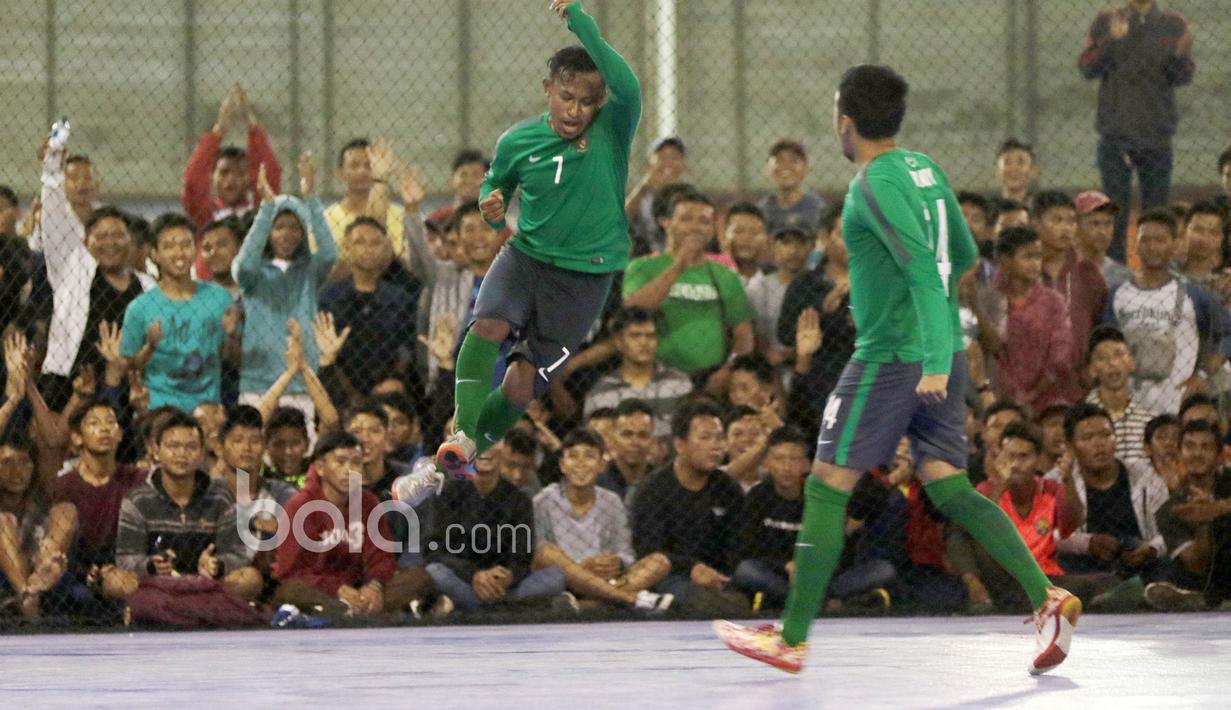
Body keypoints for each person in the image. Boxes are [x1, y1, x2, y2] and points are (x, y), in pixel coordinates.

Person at [715, 65, 1078, 676]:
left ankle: (792, 638)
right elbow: (961, 257)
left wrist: (931, 357)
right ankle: (1047, 595)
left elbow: (920, 268)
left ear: (845, 122)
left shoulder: (871, 185)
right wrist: (943, 351)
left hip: (891, 358)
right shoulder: (925, 169)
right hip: (939, 353)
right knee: (949, 487)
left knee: (826, 486)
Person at [436, 1, 641, 475]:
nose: (577, 110)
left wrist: (578, 18)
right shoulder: (518, 141)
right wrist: (491, 206)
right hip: (525, 256)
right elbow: (496, 185)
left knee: (520, 384)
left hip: (586, 276)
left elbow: (627, 85)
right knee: (487, 324)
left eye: (589, 101)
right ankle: (463, 433)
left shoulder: (613, 127)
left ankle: (466, 451)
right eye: (567, 96)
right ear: (548, 89)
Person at [37, 136, 155, 411]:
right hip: (69, 381)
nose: (109, 242)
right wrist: (52, 171)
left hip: (130, 386)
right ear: (86, 241)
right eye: (100, 236)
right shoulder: (71, 266)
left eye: (117, 235)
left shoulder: (148, 286)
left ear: (130, 241)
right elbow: (53, 218)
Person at [1079, 0, 1195, 261]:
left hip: (1157, 137)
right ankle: (1114, 278)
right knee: (1114, 218)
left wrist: (1181, 56)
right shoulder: (1106, 21)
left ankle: (1155, 277)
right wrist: (1112, 41)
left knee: (1156, 215)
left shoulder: (1173, 24)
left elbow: (1182, 76)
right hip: (1115, 137)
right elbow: (1087, 67)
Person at [111, 410, 262, 602]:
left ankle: (195, 607)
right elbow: (125, 558)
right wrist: (151, 565)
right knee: (115, 580)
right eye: (173, 446)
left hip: (207, 585)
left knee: (250, 578)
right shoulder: (137, 500)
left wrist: (217, 565)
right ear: (156, 451)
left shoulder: (221, 497)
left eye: (191, 447)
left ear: (201, 453)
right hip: (157, 587)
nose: (182, 454)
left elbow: (237, 554)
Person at [232, 155, 337, 424]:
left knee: (299, 450)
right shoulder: (255, 274)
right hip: (257, 382)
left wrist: (311, 198)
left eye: (294, 227)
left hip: (302, 382)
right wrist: (267, 209)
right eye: (279, 227)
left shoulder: (309, 272)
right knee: (250, 452)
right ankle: (245, 473)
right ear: (268, 231)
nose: (287, 234)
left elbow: (328, 253)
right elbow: (241, 267)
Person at [1104, 209, 1231, 415]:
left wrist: (1202, 375)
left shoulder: (1193, 294)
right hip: (1129, 403)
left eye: (1160, 240)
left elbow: (1227, 334)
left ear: (1173, 244)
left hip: (1180, 403)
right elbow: (1104, 343)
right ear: (1135, 245)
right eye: (1145, 240)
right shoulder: (1118, 294)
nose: (1152, 247)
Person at [531, 428, 672, 610]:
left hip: (612, 581)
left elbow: (626, 554)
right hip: (565, 583)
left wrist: (616, 563)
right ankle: (628, 600)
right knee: (547, 551)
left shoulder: (612, 501)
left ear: (601, 465)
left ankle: (588, 605)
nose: (580, 463)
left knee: (659, 562)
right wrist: (581, 568)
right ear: (562, 465)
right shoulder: (544, 500)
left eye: (589, 456)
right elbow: (538, 560)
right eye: (573, 456)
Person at [622, 189, 755, 379]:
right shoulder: (642, 267)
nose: (696, 227)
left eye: (704, 221)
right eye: (686, 219)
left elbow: (744, 335)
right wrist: (680, 265)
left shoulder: (725, 275)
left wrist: (727, 373)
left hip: (712, 377)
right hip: (656, 377)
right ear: (666, 222)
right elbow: (634, 309)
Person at [425, 441, 565, 613]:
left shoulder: (519, 499)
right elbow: (434, 550)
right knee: (434, 572)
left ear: (505, 449)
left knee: (555, 577)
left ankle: (479, 608)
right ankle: (508, 609)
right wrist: (475, 575)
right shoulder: (447, 493)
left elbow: (523, 558)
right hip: (464, 580)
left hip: (506, 586)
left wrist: (508, 577)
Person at [631, 399, 744, 611]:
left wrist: (721, 577)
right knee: (693, 596)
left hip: (721, 578)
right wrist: (691, 568)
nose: (716, 446)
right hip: (673, 577)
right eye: (705, 437)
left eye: (719, 438)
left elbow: (738, 545)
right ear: (680, 444)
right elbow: (649, 552)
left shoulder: (729, 489)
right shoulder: (653, 489)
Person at [119, 213, 236, 413]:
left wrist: (232, 335)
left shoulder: (220, 298)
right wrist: (150, 347)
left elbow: (231, 359)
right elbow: (127, 365)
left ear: (194, 249)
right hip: (158, 412)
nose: (179, 253)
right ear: (154, 253)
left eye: (185, 244)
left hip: (208, 412)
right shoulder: (140, 308)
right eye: (169, 246)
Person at [1051, 404, 1171, 587]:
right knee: (1064, 562)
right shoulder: (1056, 480)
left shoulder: (1145, 476)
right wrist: (1087, 544)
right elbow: (1047, 535)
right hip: (1086, 568)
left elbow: (1169, 531)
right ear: (1070, 446)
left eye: (1106, 435)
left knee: (1165, 563)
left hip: (1140, 564)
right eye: (1088, 437)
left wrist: (1150, 549)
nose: (1099, 443)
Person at [51, 401, 148, 616]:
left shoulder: (137, 479)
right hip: (74, 573)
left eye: (110, 422)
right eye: (94, 423)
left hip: (125, 570)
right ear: (77, 437)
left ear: (120, 434)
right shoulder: (63, 485)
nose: (104, 428)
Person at [976, 226, 1074, 412]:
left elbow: (1060, 354)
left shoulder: (1053, 302)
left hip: (1044, 404)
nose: (1036, 263)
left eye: (1038, 256)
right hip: (994, 405)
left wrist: (1032, 394)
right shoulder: (985, 300)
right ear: (1005, 261)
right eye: (1028, 257)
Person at [319, 216, 417, 396]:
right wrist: (350, 394)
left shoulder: (400, 297)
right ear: (347, 247)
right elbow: (326, 351)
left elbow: (406, 346)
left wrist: (395, 377)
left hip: (390, 388)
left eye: (376, 243)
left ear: (385, 248)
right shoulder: (329, 297)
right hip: (339, 389)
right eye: (360, 242)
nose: (368, 249)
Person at [1148, 420, 1231, 609]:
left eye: (1206, 447)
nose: (1197, 454)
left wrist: (1219, 508)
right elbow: (1196, 564)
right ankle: (1196, 599)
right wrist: (1203, 523)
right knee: (1174, 570)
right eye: (1189, 446)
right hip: (1208, 581)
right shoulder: (1170, 510)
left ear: (1219, 456)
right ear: (1179, 454)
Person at [582, 307, 692, 439]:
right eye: (635, 336)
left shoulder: (679, 384)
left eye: (650, 335)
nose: (644, 342)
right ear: (619, 342)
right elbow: (594, 442)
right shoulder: (600, 393)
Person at [730, 426, 809, 608]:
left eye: (794, 459)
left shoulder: (817, 499)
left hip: (811, 575)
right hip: (773, 574)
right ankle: (804, 602)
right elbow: (748, 550)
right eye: (779, 459)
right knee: (745, 571)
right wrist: (785, 565)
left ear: (806, 464)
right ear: (766, 462)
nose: (786, 467)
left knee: (882, 571)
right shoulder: (757, 497)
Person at [1032, 190, 1106, 375]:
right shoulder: (1021, 270)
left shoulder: (1088, 273)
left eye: (1071, 221)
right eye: (1057, 220)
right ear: (1036, 224)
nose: (1066, 228)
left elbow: (1101, 325)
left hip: (1077, 383)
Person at [1086, 326, 1156, 464]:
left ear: (1132, 363)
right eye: (1102, 358)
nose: (1112, 363)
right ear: (1092, 370)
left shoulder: (1148, 420)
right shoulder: (1082, 420)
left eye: (1118, 355)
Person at [746, 226, 814, 362]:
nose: (793, 251)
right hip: (770, 365)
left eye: (800, 243)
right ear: (773, 247)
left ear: (810, 247)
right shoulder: (759, 288)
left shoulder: (819, 285)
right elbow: (757, 334)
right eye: (786, 243)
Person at [624, 136, 688, 253]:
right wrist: (646, 184)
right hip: (645, 255)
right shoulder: (644, 194)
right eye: (662, 157)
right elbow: (622, 218)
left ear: (684, 163)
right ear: (651, 162)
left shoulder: (689, 194)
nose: (668, 162)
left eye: (674, 157)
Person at [758, 139, 826, 236]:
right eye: (779, 160)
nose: (786, 166)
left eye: (793, 161)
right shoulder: (763, 210)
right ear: (769, 168)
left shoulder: (817, 208)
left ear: (806, 168)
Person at [597, 399, 655, 506]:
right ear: (612, 438)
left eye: (643, 435)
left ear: (652, 440)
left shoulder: (663, 484)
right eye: (627, 434)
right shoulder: (596, 486)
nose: (635, 442)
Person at [1074, 191, 1132, 290]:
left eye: (1108, 223)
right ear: (1076, 226)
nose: (1103, 232)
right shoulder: (1059, 272)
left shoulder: (1123, 277)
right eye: (1095, 223)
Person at [1177, 202, 1231, 307]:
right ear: (1184, 230)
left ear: (1221, 238)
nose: (1204, 238)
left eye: (1213, 232)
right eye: (1198, 230)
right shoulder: (1166, 273)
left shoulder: (1226, 285)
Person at [723, 202, 770, 284]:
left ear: (766, 239)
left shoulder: (780, 279)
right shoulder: (708, 277)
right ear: (724, 236)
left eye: (754, 232)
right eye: (739, 231)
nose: (746, 238)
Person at [995, 139, 1039, 205]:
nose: (1013, 168)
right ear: (998, 172)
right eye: (1007, 162)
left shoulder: (1041, 209)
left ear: (1033, 171)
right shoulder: (987, 210)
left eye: (1021, 162)